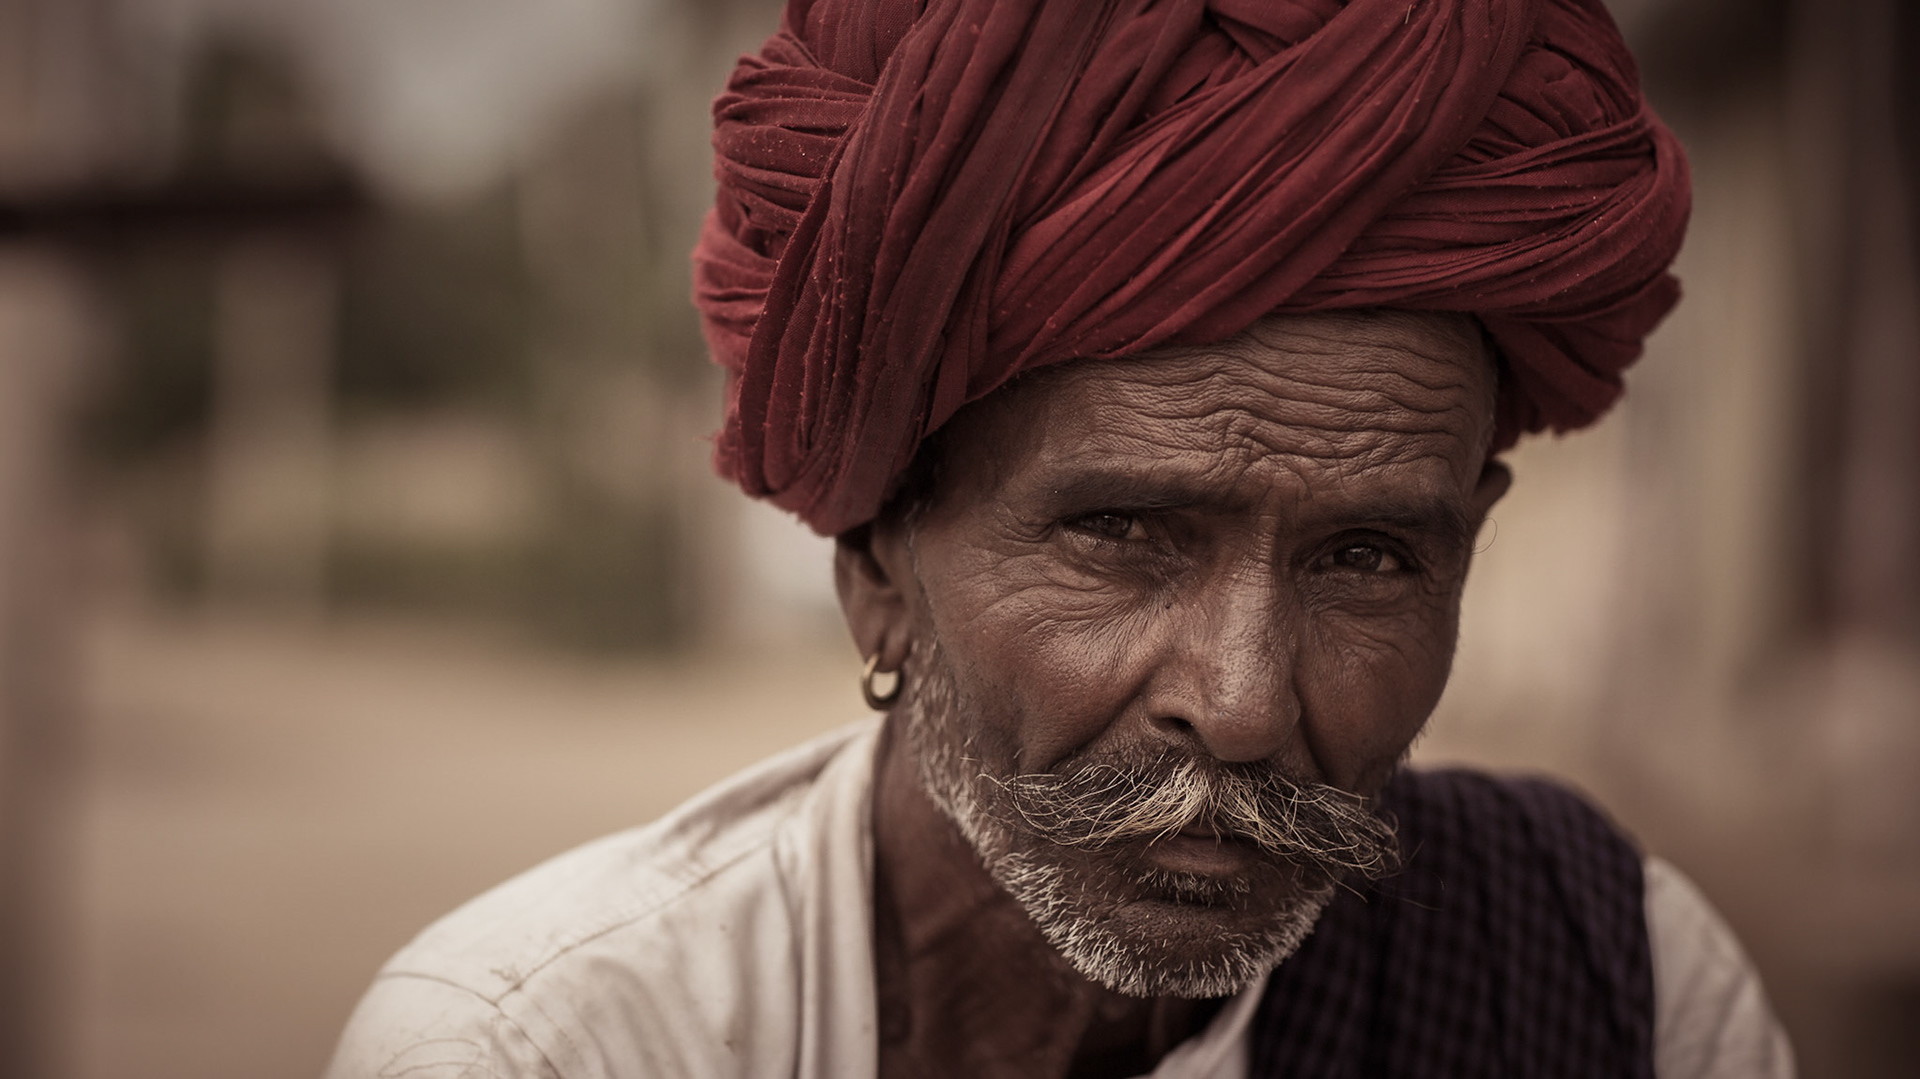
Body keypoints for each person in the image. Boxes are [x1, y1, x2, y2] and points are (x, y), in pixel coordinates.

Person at [328, 0, 1796, 1076]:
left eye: (1367, 560)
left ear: (1468, 546)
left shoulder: (1617, 994)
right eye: (1123, 535)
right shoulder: (549, 1049)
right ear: (876, 565)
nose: (1239, 705)